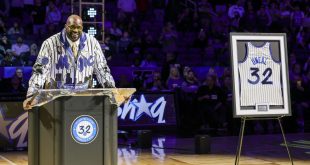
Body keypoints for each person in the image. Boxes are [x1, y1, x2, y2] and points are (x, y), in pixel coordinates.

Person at [24, 15, 115, 109]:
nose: (75, 30)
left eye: (78, 28)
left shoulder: (93, 43)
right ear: (65, 26)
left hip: (84, 101)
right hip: (55, 101)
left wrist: (112, 90)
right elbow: (40, 71)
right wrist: (32, 95)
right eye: (72, 27)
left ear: (82, 28)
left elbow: (102, 69)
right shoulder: (49, 44)